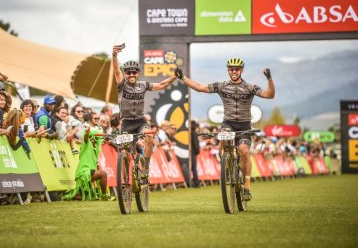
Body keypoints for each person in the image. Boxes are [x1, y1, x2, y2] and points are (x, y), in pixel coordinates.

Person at [175, 57, 275, 201]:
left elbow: (270, 95)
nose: (234, 71)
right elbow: (199, 87)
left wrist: (269, 79)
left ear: (241, 71)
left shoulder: (250, 87)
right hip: (228, 123)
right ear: (228, 71)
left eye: (236, 69)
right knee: (223, 138)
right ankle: (225, 163)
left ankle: (247, 186)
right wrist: (182, 77)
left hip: (244, 124)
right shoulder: (221, 86)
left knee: (244, 151)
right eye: (231, 69)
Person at [112, 44, 177, 179]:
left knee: (149, 136)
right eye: (128, 72)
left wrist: (175, 76)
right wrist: (114, 56)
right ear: (125, 74)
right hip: (126, 123)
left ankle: (146, 168)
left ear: (138, 73)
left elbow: (161, 85)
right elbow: (116, 71)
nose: (131, 74)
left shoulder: (143, 85)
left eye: (134, 72)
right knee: (124, 151)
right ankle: (125, 184)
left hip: (140, 121)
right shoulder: (122, 84)